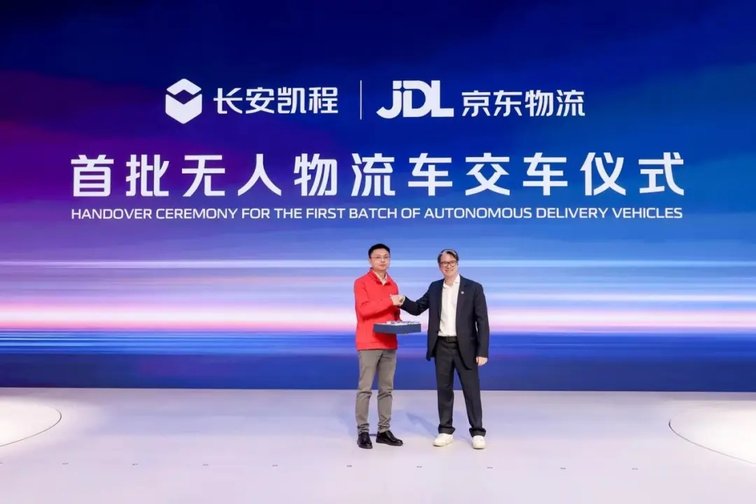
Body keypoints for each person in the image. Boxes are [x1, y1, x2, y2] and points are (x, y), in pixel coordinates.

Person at [392, 249, 489, 449]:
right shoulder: (435, 288)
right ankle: (445, 430)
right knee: (444, 390)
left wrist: (482, 351)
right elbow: (418, 308)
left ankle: (478, 432)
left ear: (457, 263)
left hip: (467, 348)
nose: (448, 266)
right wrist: (403, 301)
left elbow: (482, 322)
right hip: (442, 346)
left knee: (471, 391)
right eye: (444, 263)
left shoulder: (473, 288)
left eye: (451, 262)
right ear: (439, 266)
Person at [353, 243, 404, 449]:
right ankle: (363, 431)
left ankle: (383, 430)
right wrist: (389, 300)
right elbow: (364, 310)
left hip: (389, 342)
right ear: (370, 260)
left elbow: (394, 314)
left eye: (386, 257)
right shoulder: (361, 283)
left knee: (386, 389)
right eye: (378, 257)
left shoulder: (393, 284)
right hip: (369, 342)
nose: (382, 260)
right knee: (365, 389)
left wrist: (401, 323)